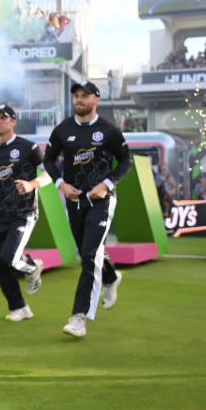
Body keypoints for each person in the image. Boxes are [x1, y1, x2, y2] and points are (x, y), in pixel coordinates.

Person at [43, 81, 132, 338]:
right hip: (75, 201)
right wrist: (61, 184)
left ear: (97, 100)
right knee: (88, 252)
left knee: (90, 255)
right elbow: (49, 160)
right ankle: (111, 277)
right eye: (76, 96)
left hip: (102, 200)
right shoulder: (62, 130)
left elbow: (126, 161)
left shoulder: (109, 131)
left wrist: (106, 184)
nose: (79, 100)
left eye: (85, 96)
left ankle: (78, 317)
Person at [0, 104, 50, 322]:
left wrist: (32, 184)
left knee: (10, 258)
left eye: (4, 118)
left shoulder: (28, 147)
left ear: (13, 121)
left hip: (24, 212)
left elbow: (51, 173)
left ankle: (33, 268)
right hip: (1, 213)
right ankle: (19, 308)